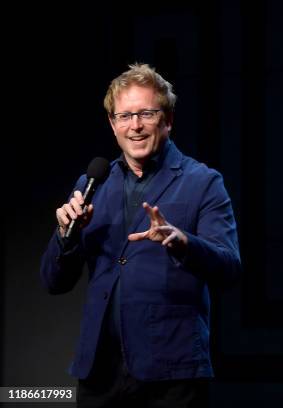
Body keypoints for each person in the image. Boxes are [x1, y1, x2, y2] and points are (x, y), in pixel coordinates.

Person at [40, 63, 241, 407]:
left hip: (171, 375)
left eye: (146, 113)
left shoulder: (203, 182)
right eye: (124, 116)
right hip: (100, 374)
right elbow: (54, 282)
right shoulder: (92, 184)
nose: (135, 126)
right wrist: (65, 236)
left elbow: (229, 268)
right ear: (112, 124)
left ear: (168, 120)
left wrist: (184, 243)